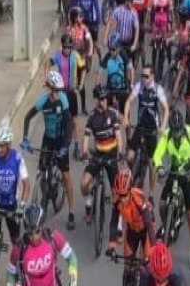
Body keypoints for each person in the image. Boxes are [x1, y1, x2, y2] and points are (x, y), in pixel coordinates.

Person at [153, 109, 190, 270]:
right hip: (174, 172)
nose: (176, 133)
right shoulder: (167, 135)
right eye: (174, 130)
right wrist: (160, 167)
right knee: (162, 204)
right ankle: (167, 226)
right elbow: (158, 154)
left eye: (179, 130)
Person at [21, 70, 76, 230]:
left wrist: (65, 147)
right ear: (49, 88)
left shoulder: (63, 101)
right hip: (48, 139)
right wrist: (25, 139)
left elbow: (68, 126)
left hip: (61, 139)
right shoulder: (43, 102)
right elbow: (27, 117)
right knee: (41, 171)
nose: (57, 93)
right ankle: (44, 192)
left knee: (65, 175)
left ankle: (71, 211)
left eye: (59, 90)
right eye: (55, 90)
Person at [80, 84, 124, 255]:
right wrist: (84, 153)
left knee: (118, 192)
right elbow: (86, 137)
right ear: (97, 100)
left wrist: (120, 152)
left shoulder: (113, 115)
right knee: (84, 184)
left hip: (112, 155)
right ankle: (89, 201)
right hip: (98, 155)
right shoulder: (92, 117)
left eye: (105, 99)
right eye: (100, 99)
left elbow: (119, 136)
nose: (103, 102)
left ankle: (119, 225)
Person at [124, 63, 170, 197]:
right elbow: (129, 101)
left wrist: (163, 126)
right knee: (130, 157)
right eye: (142, 75)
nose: (143, 78)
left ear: (152, 76)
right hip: (140, 126)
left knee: (152, 164)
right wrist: (126, 118)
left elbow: (166, 109)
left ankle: (150, 193)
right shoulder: (139, 86)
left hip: (152, 130)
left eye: (146, 76)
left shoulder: (158, 90)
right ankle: (134, 174)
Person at [6, 202, 79, 286]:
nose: (34, 237)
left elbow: (71, 257)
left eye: (37, 232)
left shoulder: (52, 237)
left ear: (42, 226)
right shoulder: (20, 247)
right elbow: (11, 270)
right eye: (30, 233)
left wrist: (73, 281)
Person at [47, 33, 84, 155]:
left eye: (69, 47)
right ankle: (58, 142)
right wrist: (47, 77)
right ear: (62, 46)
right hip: (61, 92)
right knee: (60, 118)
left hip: (72, 92)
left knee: (74, 121)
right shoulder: (58, 56)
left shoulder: (75, 56)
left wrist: (81, 84)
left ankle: (77, 145)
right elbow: (48, 63)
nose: (67, 49)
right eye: (65, 47)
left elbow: (83, 69)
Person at [113, 168, 158, 266]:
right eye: (120, 195)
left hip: (146, 229)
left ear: (130, 190)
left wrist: (153, 246)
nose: (123, 199)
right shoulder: (117, 201)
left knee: (146, 263)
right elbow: (114, 220)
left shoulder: (138, 199)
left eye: (125, 195)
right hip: (132, 230)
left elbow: (149, 224)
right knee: (128, 264)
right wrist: (111, 244)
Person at [98, 33, 134, 113]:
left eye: (113, 49)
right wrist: (97, 85)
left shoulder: (123, 54)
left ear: (118, 48)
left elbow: (131, 70)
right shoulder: (108, 56)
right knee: (106, 111)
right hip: (110, 87)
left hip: (123, 87)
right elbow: (100, 71)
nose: (111, 52)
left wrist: (131, 85)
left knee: (124, 112)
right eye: (109, 49)